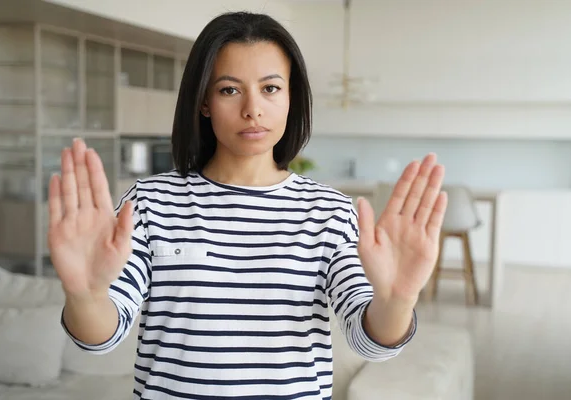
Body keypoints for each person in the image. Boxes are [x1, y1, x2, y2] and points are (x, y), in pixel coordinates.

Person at [47, 11, 447, 400]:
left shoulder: (330, 213)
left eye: (271, 88)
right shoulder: (150, 204)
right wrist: (85, 295)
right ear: (204, 102)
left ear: (292, 97)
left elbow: (369, 341)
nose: (252, 108)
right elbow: (100, 338)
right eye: (229, 89)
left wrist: (397, 300)